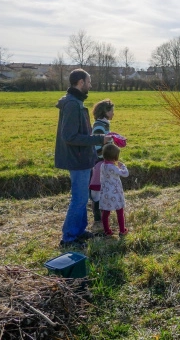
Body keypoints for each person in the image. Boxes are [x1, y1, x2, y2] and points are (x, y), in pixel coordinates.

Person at [55, 68, 110, 248]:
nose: (90, 84)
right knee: (78, 199)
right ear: (80, 83)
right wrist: (99, 139)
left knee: (81, 198)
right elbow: (69, 136)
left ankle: (79, 231)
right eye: (89, 81)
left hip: (82, 158)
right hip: (77, 159)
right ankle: (69, 238)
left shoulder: (75, 102)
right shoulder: (72, 104)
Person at [89, 99, 115, 231]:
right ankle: (98, 218)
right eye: (112, 111)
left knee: (102, 189)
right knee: (97, 191)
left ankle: (102, 216)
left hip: (103, 162)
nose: (113, 113)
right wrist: (105, 158)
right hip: (99, 163)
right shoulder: (99, 126)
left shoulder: (104, 125)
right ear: (105, 111)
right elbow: (98, 148)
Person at [99, 143, 129, 236]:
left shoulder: (102, 166)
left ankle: (107, 231)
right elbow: (125, 174)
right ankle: (122, 230)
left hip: (105, 193)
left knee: (106, 212)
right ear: (115, 157)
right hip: (115, 193)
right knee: (120, 211)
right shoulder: (113, 167)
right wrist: (122, 166)